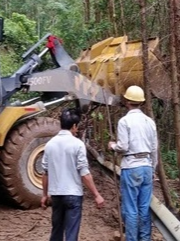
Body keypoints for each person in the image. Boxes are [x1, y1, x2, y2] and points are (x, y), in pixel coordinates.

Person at [41, 108, 105, 241]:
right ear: (74, 126)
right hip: (73, 195)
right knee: (71, 234)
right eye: (77, 126)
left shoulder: (49, 145)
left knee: (56, 230)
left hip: (56, 195)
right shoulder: (78, 145)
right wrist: (96, 195)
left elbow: (45, 173)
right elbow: (84, 173)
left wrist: (44, 195)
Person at [107, 85, 158, 241]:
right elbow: (155, 148)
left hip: (131, 166)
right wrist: (153, 168)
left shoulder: (125, 121)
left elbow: (123, 147)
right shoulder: (150, 122)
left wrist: (113, 146)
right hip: (147, 166)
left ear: (127, 101)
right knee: (144, 207)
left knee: (131, 208)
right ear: (141, 102)